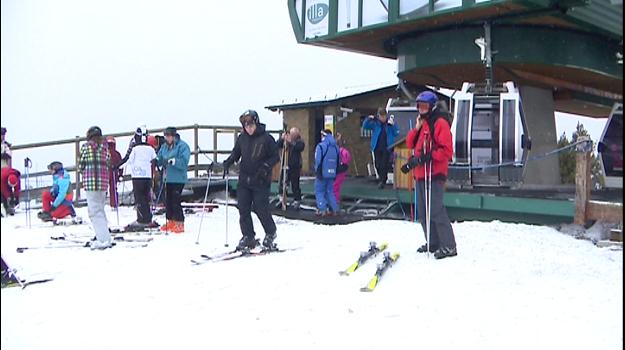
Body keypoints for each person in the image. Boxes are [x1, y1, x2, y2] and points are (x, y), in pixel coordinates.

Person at [400, 91, 457, 259]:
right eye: (419, 106)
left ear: (432, 106)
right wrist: (417, 127)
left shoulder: (440, 123)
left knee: (436, 209)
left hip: (434, 173)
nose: (421, 109)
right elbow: (410, 142)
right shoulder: (423, 123)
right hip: (421, 174)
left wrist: (427, 157)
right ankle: (432, 241)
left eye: (424, 106)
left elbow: (446, 151)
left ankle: (448, 245)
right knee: (423, 211)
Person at [223, 110, 280, 251]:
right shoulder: (242, 138)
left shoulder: (267, 138)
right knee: (243, 208)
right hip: (244, 179)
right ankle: (248, 236)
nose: (248, 127)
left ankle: (271, 233)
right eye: (245, 125)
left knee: (261, 208)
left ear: (256, 122)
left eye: (250, 124)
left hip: (260, 180)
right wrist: (228, 162)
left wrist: (266, 167)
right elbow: (236, 153)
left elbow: (275, 157)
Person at [78, 126, 112, 250]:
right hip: (103, 183)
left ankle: (103, 239)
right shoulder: (105, 148)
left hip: (91, 183)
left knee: (94, 212)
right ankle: (104, 236)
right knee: (100, 210)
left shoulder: (85, 147)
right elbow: (108, 162)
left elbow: (81, 165)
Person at [155, 127, 190, 233]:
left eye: (169, 136)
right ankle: (170, 221)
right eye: (166, 136)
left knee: (176, 199)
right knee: (168, 200)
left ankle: (179, 222)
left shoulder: (182, 146)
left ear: (174, 136)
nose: (167, 138)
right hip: (168, 178)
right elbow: (160, 158)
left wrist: (175, 161)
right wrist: (156, 161)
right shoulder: (164, 147)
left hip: (179, 178)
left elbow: (184, 162)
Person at [125, 131, 158, 230]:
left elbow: (128, 160)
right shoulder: (150, 149)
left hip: (138, 176)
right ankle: (147, 217)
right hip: (147, 175)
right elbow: (155, 159)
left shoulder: (135, 148)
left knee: (140, 197)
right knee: (146, 197)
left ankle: (142, 219)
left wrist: (117, 167)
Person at [362, 107, 399, 188]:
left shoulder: (389, 123)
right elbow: (365, 126)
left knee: (383, 164)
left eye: (384, 116)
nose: (383, 118)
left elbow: (396, 133)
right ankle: (381, 179)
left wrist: (393, 125)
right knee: (377, 164)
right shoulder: (376, 124)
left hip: (387, 147)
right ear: (378, 116)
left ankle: (382, 181)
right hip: (377, 147)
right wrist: (368, 119)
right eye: (381, 116)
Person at [276, 127, 305, 209]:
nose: (291, 136)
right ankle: (282, 198)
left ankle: (297, 200)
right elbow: (277, 145)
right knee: (283, 182)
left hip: (295, 166)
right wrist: (282, 139)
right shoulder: (286, 141)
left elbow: (299, 147)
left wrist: (290, 141)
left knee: (295, 184)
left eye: (293, 134)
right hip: (285, 164)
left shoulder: (300, 142)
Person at [314, 129, 340, 216]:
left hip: (322, 172)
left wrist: (317, 171)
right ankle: (335, 208)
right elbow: (338, 161)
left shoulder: (321, 146)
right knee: (330, 191)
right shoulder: (336, 147)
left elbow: (318, 160)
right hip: (332, 173)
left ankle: (323, 209)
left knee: (319, 191)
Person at [333, 132, 351, 205]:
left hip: (338, 171)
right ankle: (335, 200)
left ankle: (335, 201)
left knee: (334, 186)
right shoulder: (344, 152)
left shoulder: (340, 152)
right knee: (335, 186)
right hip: (340, 171)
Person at [106, 136, 122, 208]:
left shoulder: (104, 153)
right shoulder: (117, 153)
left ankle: (110, 204)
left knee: (105, 190)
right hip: (113, 173)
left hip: (106, 173)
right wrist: (120, 174)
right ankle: (114, 204)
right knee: (113, 189)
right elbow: (121, 165)